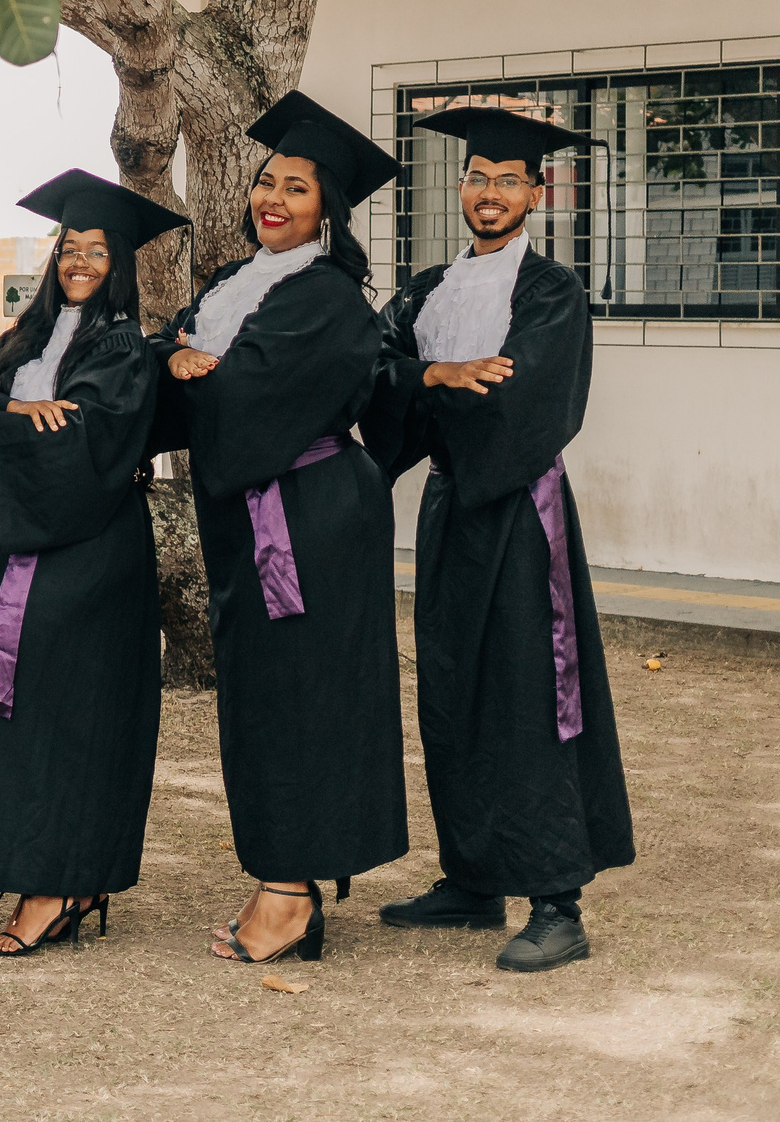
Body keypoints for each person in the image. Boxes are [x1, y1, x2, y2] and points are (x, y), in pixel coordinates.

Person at [363, 107, 636, 973]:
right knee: (452, 688)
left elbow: (521, 397)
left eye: (508, 180)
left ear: (536, 192)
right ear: (460, 186)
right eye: (478, 177)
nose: (490, 192)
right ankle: (473, 876)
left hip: (521, 509)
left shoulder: (551, 292)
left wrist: (427, 385)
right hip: (450, 508)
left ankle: (557, 900)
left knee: (530, 694)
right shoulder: (427, 290)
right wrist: (436, 374)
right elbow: (373, 374)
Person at [153, 92, 407, 965]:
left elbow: (241, 393)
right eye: (268, 181)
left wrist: (187, 363)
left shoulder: (327, 297)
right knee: (261, 699)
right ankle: (280, 875)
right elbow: (170, 353)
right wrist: (178, 358)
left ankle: (292, 890)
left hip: (310, 520)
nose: (274, 197)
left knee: (303, 696)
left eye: (297, 187)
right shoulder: (237, 281)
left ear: (327, 206)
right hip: (253, 516)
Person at [0, 169, 186, 958]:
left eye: (96, 250)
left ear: (119, 262)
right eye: (69, 247)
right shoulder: (25, 337)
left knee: (74, 715)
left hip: (91, 552)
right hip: (24, 547)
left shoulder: (122, 346)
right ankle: (63, 877)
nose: (79, 261)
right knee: (21, 711)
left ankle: (57, 884)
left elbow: (79, 439)